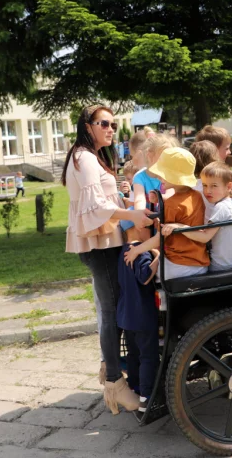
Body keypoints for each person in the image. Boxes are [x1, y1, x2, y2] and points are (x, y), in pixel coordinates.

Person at [63, 104, 153, 415]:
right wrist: (133, 213)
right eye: (103, 123)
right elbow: (95, 207)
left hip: (104, 240)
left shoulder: (92, 157)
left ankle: (115, 371)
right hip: (99, 244)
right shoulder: (84, 158)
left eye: (113, 124)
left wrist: (127, 202)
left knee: (113, 308)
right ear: (87, 126)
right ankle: (115, 382)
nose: (110, 129)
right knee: (112, 310)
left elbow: (104, 200)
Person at [125, 147, 208, 279]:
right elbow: (183, 212)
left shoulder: (171, 204)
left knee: (147, 275)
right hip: (199, 262)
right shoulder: (197, 195)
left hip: (178, 266)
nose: (159, 177)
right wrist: (161, 199)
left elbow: (159, 239)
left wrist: (136, 250)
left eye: (163, 174)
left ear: (175, 177)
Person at [163, 161, 232, 272]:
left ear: (229, 186)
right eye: (205, 185)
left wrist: (180, 227)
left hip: (221, 266)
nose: (208, 191)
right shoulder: (229, 203)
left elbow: (205, 237)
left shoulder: (221, 207)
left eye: (214, 186)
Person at [116, 238, 159, 413]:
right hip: (142, 315)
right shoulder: (140, 250)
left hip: (127, 315)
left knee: (133, 354)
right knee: (148, 356)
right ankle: (146, 399)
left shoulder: (124, 250)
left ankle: (135, 389)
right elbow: (145, 277)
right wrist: (158, 255)